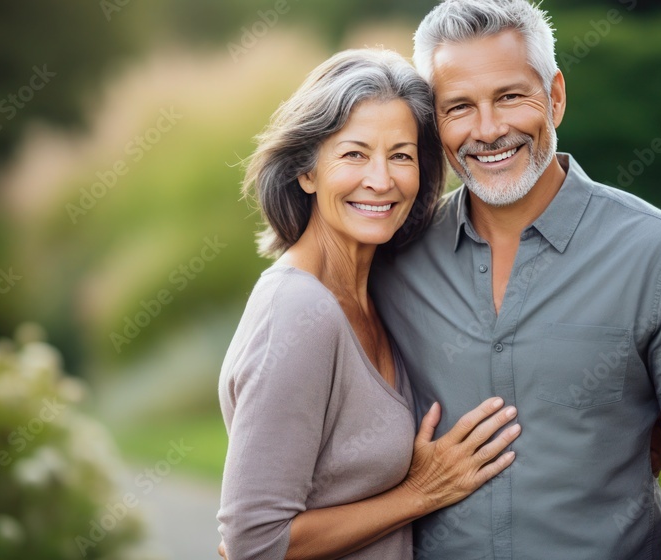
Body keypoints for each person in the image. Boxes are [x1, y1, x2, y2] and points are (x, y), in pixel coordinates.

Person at [369, 1, 661, 558]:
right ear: (435, 125)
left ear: (557, 96)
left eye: (510, 97)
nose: (489, 130)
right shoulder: (394, 256)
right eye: (459, 108)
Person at [216, 48, 522, 560]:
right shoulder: (296, 310)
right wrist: (420, 493)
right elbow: (254, 542)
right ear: (307, 172)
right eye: (354, 154)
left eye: (400, 155)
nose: (381, 180)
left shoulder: (379, 290)